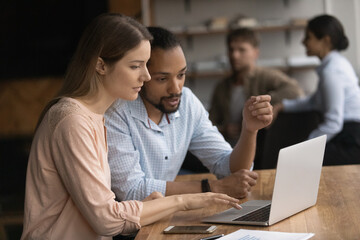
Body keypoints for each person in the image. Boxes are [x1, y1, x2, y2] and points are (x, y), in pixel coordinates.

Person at [20, 14, 243, 240]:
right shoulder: (72, 121)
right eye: (135, 66)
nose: (145, 76)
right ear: (100, 65)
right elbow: (107, 220)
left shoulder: (94, 116)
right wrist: (183, 200)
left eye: (145, 65)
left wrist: (147, 207)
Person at [105, 26, 273, 202]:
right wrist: (213, 187)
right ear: (141, 75)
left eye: (181, 75)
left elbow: (231, 170)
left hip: (164, 212)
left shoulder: (187, 102)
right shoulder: (116, 112)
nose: (176, 89)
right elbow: (132, 190)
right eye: (162, 79)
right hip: (128, 224)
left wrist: (249, 130)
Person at [274, 14, 360, 165]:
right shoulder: (336, 63)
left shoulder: (332, 72)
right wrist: (282, 106)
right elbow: (314, 101)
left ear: (325, 40)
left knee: (298, 162)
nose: (303, 42)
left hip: (351, 140)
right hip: (347, 134)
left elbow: (333, 123)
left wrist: (306, 146)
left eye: (308, 37)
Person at [209, 27, 303, 146]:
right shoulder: (221, 86)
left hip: (258, 148)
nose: (235, 55)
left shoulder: (265, 76)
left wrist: (267, 103)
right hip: (226, 148)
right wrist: (224, 129)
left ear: (255, 53)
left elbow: (295, 91)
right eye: (231, 50)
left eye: (241, 50)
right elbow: (209, 123)